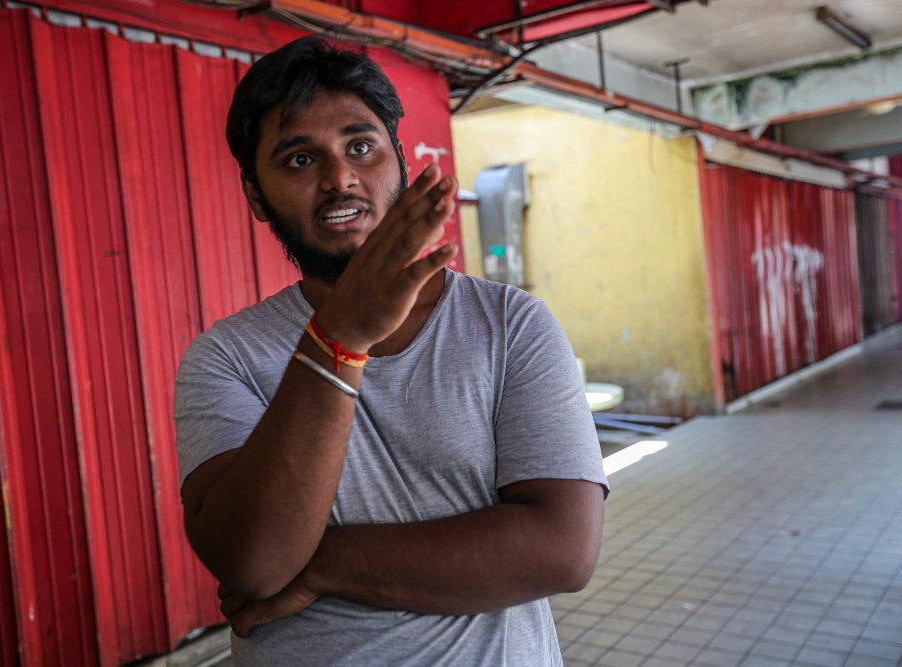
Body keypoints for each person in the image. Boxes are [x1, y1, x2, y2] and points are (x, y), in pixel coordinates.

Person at [174, 35, 608, 665]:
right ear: (255, 194)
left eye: (360, 146)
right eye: (298, 159)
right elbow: (255, 561)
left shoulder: (511, 324)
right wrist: (339, 339)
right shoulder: (227, 358)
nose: (340, 178)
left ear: (399, 162)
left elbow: (561, 550)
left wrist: (320, 565)